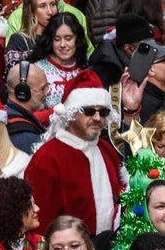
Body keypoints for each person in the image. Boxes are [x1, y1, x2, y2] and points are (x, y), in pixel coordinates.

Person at [25, 70, 126, 237]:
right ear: (70, 113)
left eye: (103, 112)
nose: (97, 118)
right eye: (88, 111)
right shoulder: (48, 158)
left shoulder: (106, 150)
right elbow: (38, 223)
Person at [30, 12, 89, 106]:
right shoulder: (37, 70)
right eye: (57, 39)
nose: (62, 45)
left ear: (77, 39)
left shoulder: (88, 66)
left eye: (68, 38)